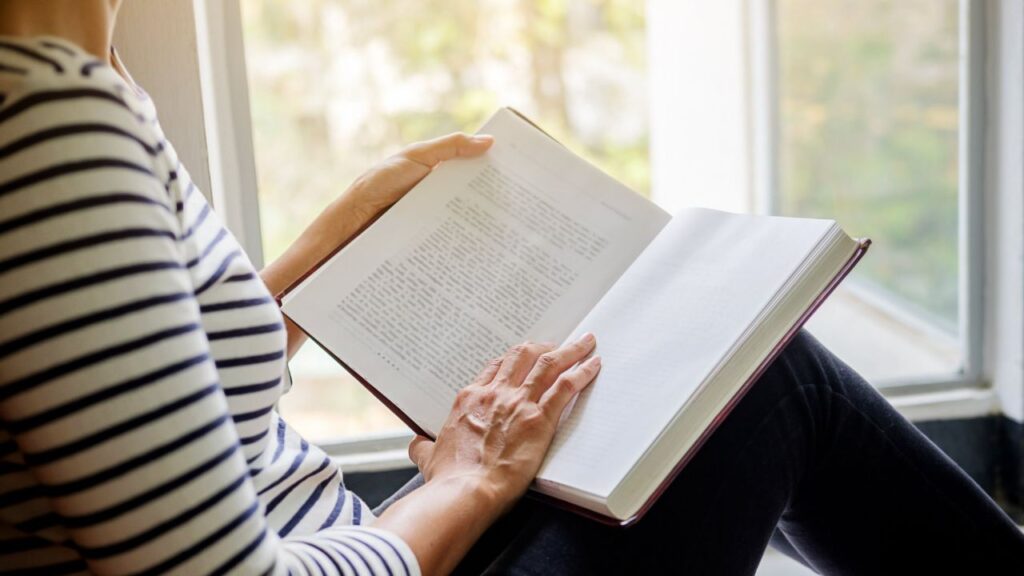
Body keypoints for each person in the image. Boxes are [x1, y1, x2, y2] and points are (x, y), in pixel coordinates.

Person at [0, 1, 1021, 574]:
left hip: (333, 533)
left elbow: (145, 403)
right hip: (336, 553)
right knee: (761, 383)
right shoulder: (47, 124)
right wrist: (465, 483)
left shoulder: (69, 76)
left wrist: (337, 232)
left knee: (679, 399)